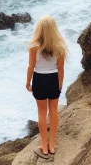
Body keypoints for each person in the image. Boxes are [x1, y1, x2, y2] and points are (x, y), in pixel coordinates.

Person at [26, 15, 67, 158]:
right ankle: (52, 144)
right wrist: (60, 84)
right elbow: (61, 69)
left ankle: (44, 146)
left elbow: (31, 67)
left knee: (42, 113)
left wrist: (28, 82)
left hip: (39, 80)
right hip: (53, 80)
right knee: (54, 111)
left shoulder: (33, 47)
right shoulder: (60, 47)